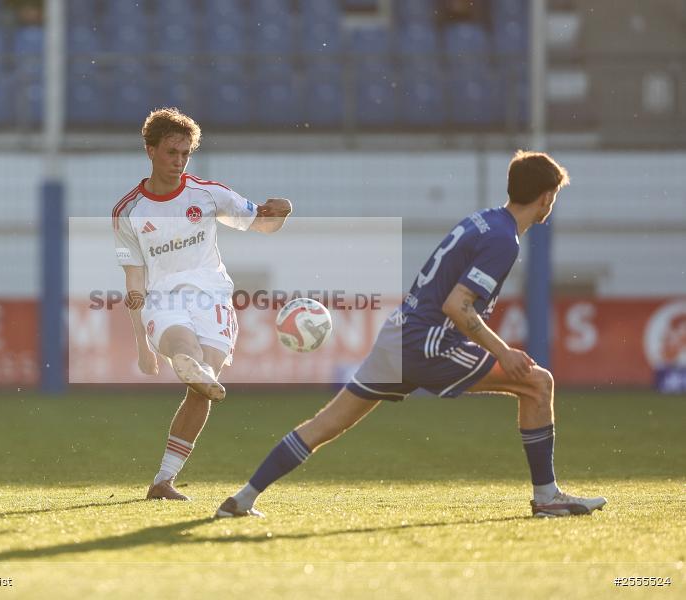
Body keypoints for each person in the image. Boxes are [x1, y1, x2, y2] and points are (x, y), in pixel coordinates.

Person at [216, 150, 607, 519]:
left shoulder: (483, 220)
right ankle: (546, 497)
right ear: (546, 197)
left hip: (398, 333)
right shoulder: (503, 240)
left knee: (327, 424)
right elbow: (458, 305)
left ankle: (243, 497)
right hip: (426, 343)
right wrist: (504, 352)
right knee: (539, 384)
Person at [113, 107, 292, 501]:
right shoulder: (128, 212)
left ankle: (163, 481)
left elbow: (261, 223)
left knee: (202, 386)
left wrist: (280, 211)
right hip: (162, 301)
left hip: (213, 299)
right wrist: (142, 346)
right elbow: (133, 281)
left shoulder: (209, 195)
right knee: (187, 352)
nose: (178, 161)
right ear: (150, 150)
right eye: (171, 152)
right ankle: (186, 359)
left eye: (185, 154)